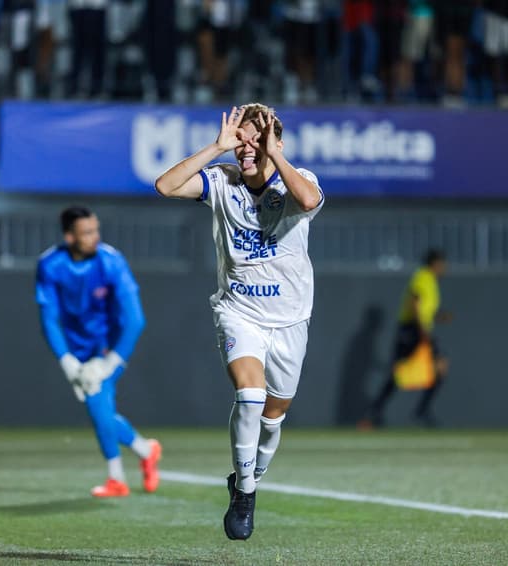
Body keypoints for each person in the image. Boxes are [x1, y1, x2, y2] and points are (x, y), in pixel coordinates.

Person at [154, 103, 324, 540]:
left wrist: (274, 154)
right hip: (239, 311)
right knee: (249, 394)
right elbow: (165, 184)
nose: (247, 148)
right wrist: (217, 147)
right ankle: (245, 492)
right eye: (242, 139)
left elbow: (307, 200)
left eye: (256, 139)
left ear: (276, 143)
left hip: (289, 319)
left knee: (274, 415)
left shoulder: (297, 180)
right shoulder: (221, 180)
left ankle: (249, 476)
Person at [36, 205, 161, 498]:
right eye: (86, 232)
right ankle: (146, 450)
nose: (95, 237)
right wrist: (67, 361)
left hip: (109, 346)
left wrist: (109, 362)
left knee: (96, 403)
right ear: (69, 237)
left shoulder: (112, 262)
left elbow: (135, 320)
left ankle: (117, 478)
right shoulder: (50, 265)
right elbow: (48, 318)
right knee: (101, 409)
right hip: (75, 350)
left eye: (96, 230)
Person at [358, 249, 450, 429]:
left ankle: (420, 410)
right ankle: (374, 414)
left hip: (420, 330)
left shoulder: (430, 280)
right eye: (442, 264)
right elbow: (414, 303)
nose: (444, 268)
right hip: (413, 330)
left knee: (439, 367)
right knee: (398, 374)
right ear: (435, 263)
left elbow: (425, 310)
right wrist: (421, 331)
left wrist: (438, 317)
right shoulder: (423, 277)